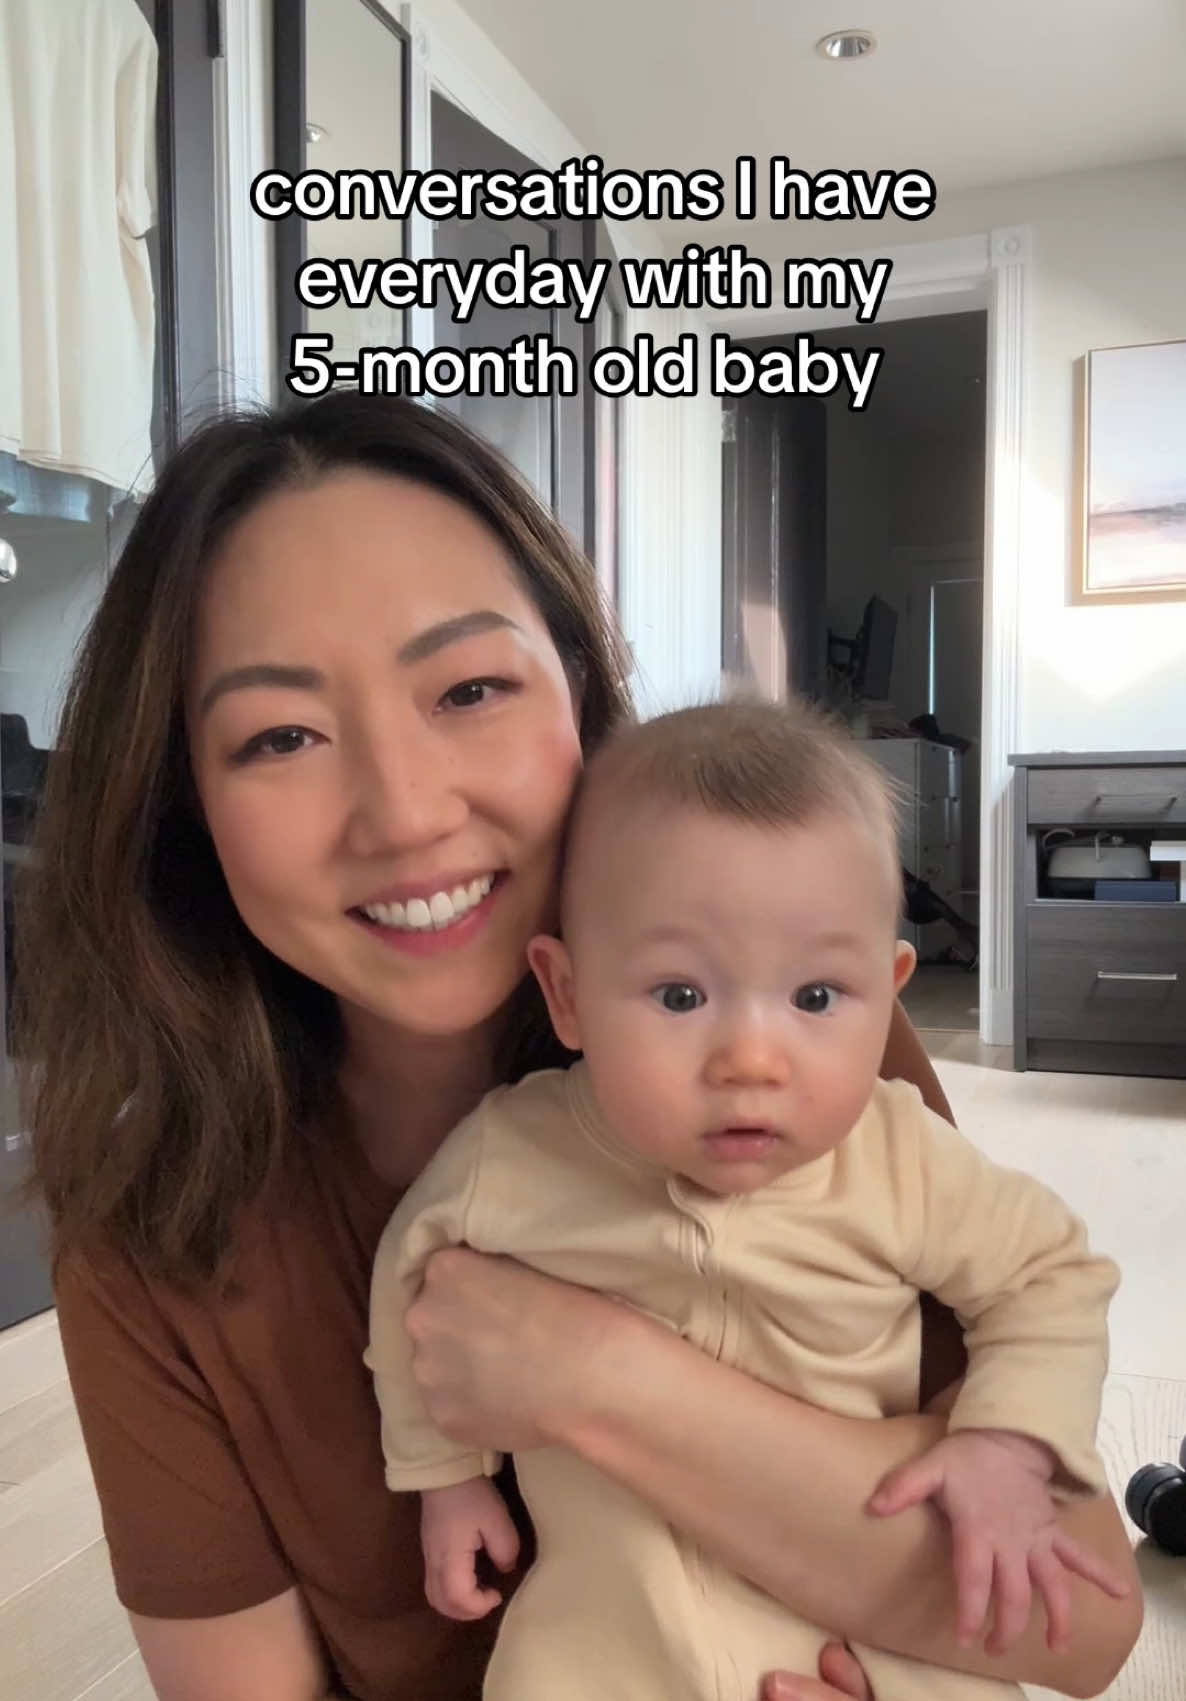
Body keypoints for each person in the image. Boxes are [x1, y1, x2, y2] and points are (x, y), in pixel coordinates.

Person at [18, 392, 1141, 1701]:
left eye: (470, 688)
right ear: (185, 803)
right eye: (281, 736)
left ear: (579, 694)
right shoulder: (153, 1229)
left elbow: (1075, 1626)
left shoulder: (780, 1035)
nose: (404, 811)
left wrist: (594, 1379)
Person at [367, 698, 1126, 1701]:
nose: (751, 1060)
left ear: (888, 988)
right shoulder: (513, 1152)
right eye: (680, 995)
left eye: (816, 997)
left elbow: (1050, 1276)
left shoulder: (896, 1153)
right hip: (605, 1645)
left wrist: (1007, 1441)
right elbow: (411, 1281)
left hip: (864, 1646)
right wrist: (443, 1476)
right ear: (568, 993)